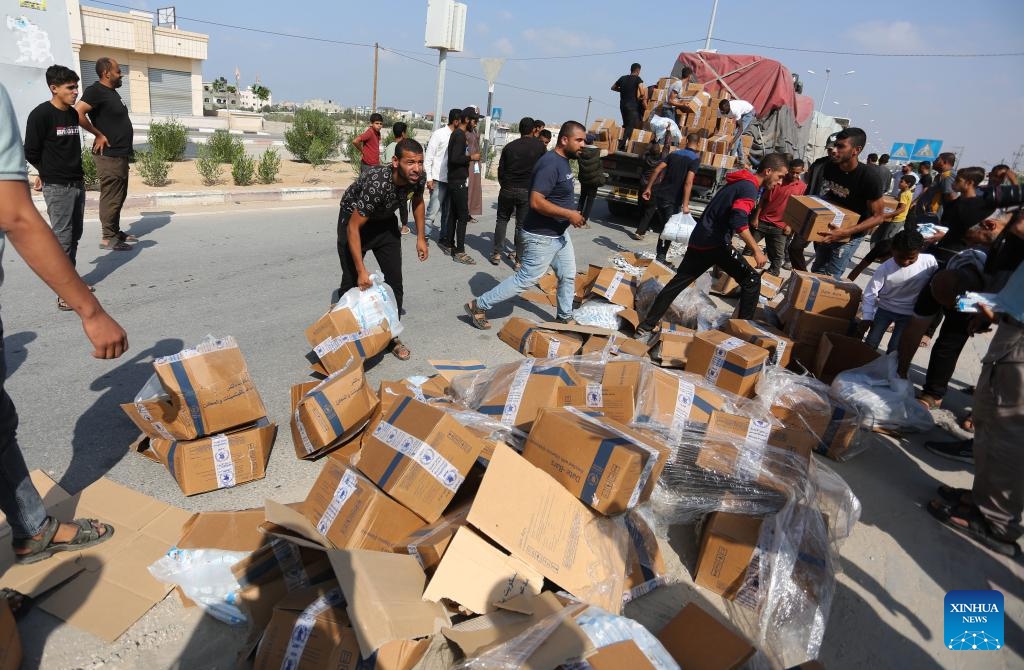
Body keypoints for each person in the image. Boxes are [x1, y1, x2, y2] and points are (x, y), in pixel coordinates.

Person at [0, 82, 128, 565]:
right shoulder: (24, 109)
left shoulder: (75, 117)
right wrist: (89, 310)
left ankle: (32, 527)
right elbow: (13, 214)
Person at [927, 210, 1024, 558]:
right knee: (987, 420)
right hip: (1013, 325)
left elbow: (1018, 227)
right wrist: (996, 309)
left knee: (1008, 432)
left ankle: (997, 522)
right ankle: (982, 499)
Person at [634, 154, 788, 339]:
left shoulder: (739, 182)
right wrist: (756, 250)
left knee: (677, 284)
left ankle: (646, 326)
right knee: (752, 280)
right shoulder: (749, 188)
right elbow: (739, 220)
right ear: (768, 171)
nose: (779, 182)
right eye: (779, 177)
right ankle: (740, 337)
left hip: (700, 239)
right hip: (715, 243)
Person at [464, 121, 588, 329]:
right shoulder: (550, 163)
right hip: (541, 236)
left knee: (567, 274)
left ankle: (564, 316)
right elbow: (536, 201)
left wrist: (571, 215)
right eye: (579, 140)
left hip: (559, 234)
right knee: (526, 279)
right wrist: (569, 213)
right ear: (564, 140)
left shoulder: (563, 161)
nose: (583, 144)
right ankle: (478, 305)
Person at [336, 138, 428, 361]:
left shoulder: (418, 177)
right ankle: (344, 336)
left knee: (395, 282)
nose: (416, 168)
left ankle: (391, 336)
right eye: (410, 162)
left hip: (385, 222)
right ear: (395, 162)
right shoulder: (377, 183)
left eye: (420, 162)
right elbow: (353, 228)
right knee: (350, 282)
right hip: (355, 222)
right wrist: (361, 270)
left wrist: (421, 238)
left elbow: (417, 201)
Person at [24, 65, 87, 311]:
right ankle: (65, 293)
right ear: (54, 88)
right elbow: (30, 150)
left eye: (76, 86)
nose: (75, 92)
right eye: (70, 87)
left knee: (75, 236)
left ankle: (72, 282)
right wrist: (46, 172)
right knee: (63, 239)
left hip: (77, 182)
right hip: (57, 186)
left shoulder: (72, 114)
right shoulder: (40, 115)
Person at [75, 56, 136, 252]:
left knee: (119, 194)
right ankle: (108, 237)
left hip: (119, 153)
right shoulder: (96, 91)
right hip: (108, 154)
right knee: (111, 195)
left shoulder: (110, 92)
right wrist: (98, 134)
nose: (121, 75)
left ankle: (115, 231)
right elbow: (78, 112)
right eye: (118, 71)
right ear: (106, 73)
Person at [811, 127, 887, 279]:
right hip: (831, 228)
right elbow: (830, 196)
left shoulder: (868, 177)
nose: (834, 150)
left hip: (851, 235)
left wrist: (845, 232)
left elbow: (879, 216)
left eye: (841, 146)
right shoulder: (830, 167)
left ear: (856, 150)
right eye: (835, 145)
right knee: (817, 271)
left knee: (832, 276)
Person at [858, 228, 938, 352]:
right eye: (901, 257)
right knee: (871, 342)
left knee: (895, 347)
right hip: (884, 310)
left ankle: (889, 369)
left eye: (911, 258)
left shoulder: (929, 262)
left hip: (909, 314)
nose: (905, 262)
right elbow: (870, 292)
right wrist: (868, 316)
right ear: (893, 250)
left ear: (919, 251)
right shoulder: (885, 268)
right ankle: (865, 365)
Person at [632, 133, 702, 263]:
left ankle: (661, 256)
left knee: (666, 227)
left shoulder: (674, 154)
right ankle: (660, 258)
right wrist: (685, 204)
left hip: (660, 195)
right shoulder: (695, 159)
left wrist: (648, 188)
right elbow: (689, 182)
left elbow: (657, 170)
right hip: (673, 200)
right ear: (698, 143)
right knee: (668, 229)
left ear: (686, 141)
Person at [491, 116, 545, 267]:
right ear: (534, 129)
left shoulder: (509, 147)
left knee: (502, 219)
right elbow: (543, 169)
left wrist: (504, 184)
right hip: (526, 191)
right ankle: (519, 260)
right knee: (521, 225)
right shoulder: (539, 147)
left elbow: (501, 170)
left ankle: (496, 254)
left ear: (520, 129)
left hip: (507, 188)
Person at [847, 173, 915, 280]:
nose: (899, 182)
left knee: (886, 240)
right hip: (894, 219)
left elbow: (901, 209)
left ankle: (883, 258)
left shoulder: (904, 194)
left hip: (896, 220)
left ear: (908, 184)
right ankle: (878, 254)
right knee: (878, 236)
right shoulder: (905, 192)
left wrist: (885, 215)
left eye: (902, 181)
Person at [788, 136, 837, 271]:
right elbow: (808, 181)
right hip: (811, 213)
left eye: (835, 149)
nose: (832, 152)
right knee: (794, 248)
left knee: (822, 256)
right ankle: (802, 275)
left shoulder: (845, 169)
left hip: (831, 218)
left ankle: (813, 282)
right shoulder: (819, 164)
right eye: (829, 149)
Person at [750, 158, 806, 275]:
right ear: (788, 170)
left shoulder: (802, 187)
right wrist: (756, 217)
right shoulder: (777, 180)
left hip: (780, 226)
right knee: (749, 249)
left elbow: (798, 209)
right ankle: (742, 271)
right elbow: (763, 200)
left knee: (777, 256)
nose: (794, 175)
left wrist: (790, 225)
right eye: (792, 172)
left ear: (802, 171)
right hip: (763, 222)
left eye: (797, 173)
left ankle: (771, 278)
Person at [442, 107, 481, 264]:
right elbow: (454, 158)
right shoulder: (459, 135)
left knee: (453, 214)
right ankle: (459, 252)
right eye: (473, 120)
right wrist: (471, 157)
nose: (475, 123)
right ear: (466, 119)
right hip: (457, 180)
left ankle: (449, 244)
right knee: (463, 216)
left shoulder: (458, 134)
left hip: (455, 179)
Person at [931, 166, 994, 262]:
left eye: (958, 180)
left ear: (969, 183)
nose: (954, 183)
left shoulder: (979, 207)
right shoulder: (953, 203)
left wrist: (945, 235)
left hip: (958, 255)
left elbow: (975, 234)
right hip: (941, 249)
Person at [423, 109, 460, 242]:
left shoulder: (459, 136)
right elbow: (429, 157)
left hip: (452, 180)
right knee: (432, 211)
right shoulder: (439, 134)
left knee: (448, 213)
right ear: (456, 121)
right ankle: (425, 236)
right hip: (438, 180)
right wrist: (429, 178)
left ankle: (443, 237)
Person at [630, 143, 669, 242]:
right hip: (654, 186)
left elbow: (644, 150)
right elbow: (667, 147)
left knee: (642, 206)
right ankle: (640, 232)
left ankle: (643, 227)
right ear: (659, 152)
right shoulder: (662, 159)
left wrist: (652, 140)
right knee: (650, 210)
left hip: (643, 185)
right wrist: (668, 132)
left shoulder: (645, 158)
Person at [383, 122, 411, 235]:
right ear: (403, 133)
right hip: (401, 181)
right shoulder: (404, 147)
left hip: (388, 180)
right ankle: (404, 227)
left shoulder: (389, 146)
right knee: (403, 204)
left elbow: (384, 162)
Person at [913, 152, 957, 224]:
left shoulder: (947, 175)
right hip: (927, 215)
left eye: (937, 160)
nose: (934, 162)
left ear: (944, 162)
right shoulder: (941, 175)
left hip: (932, 218)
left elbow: (951, 198)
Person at [611, 63, 646, 151]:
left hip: (622, 105)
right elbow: (642, 91)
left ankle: (622, 144)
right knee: (631, 126)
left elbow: (613, 87)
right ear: (638, 71)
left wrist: (622, 90)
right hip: (632, 106)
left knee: (626, 125)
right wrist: (641, 98)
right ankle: (620, 146)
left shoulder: (622, 78)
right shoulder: (638, 79)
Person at [575, 137, 605, 231]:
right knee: (590, 200)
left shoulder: (580, 151)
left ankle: (576, 216)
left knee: (582, 197)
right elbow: (611, 151)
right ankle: (584, 222)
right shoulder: (599, 152)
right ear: (593, 141)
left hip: (584, 179)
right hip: (594, 180)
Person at [718, 98, 755, 167]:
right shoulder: (720, 110)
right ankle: (741, 159)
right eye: (721, 111)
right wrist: (717, 135)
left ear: (728, 108)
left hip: (748, 113)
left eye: (724, 111)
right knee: (738, 136)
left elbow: (740, 129)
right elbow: (717, 124)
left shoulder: (734, 110)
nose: (722, 113)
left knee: (736, 133)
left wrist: (731, 143)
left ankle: (731, 158)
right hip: (741, 112)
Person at [466, 107, 483, 220]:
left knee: (474, 188)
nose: (476, 123)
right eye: (474, 120)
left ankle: (469, 212)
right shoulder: (463, 133)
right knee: (467, 188)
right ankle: (464, 212)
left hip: (475, 165)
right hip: (468, 164)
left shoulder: (474, 131)